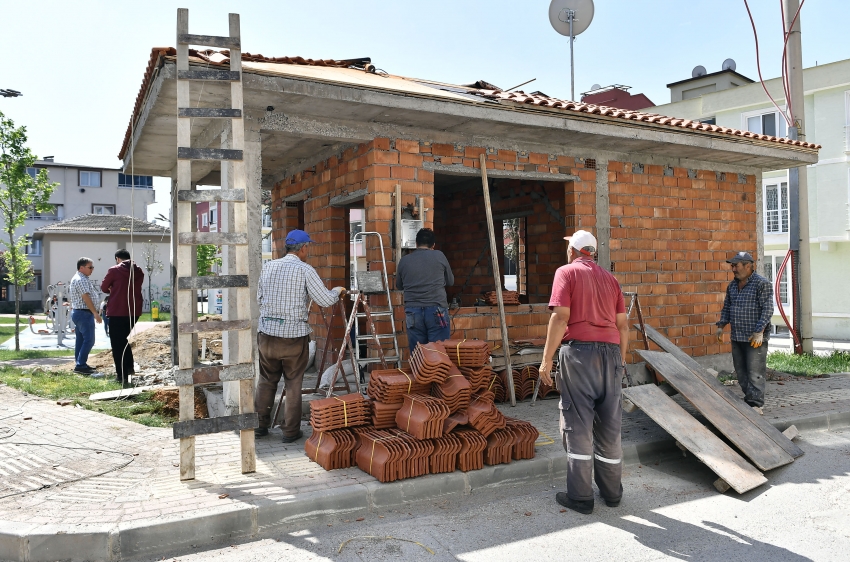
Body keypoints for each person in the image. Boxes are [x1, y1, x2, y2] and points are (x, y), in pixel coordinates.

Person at [539, 230, 629, 516]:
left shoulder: (566, 272)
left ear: (573, 251)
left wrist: (545, 361)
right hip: (612, 355)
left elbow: (560, 316)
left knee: (578, 423)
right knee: (610, 424)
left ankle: (580, 496)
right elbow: (623, 325)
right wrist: (620, 362)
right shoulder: (610, 279)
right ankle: (612, 492)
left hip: (579, 354)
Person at [255, 229, 346, 443]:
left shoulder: (268, 267)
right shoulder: (304, 269)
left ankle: (259, 426)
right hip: (292, 337)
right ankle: (290, 432)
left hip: (266, 335)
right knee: (293, 382)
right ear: (304, 248)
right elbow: (324, 299)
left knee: (266, 380)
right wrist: (338, 290)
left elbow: (260, 298)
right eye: (309, 247)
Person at [715, 251, 773, 415]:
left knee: (755, 372)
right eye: (732, 265)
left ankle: (756, 404)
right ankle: (749, 401)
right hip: (737, 336)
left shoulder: (762, 284)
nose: (733, 269)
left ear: (748, 266)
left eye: (736, 265)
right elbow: (727, 307)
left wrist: (759, 331)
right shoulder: (732, 286)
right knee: (741, 372)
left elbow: (767, 310)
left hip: (754, 337)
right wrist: (721, 325)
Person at [395, 228, 454, 354]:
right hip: (437, 311)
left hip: (413, 312)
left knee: (418, 353)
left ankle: (420, 374)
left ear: (416, 243)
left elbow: (399, 286)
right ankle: (437, 374)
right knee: (438, 352)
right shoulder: (439, 256)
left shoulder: (404, 261)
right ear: (433, 245)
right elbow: (450, 281)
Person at [100, 249, 144, 384]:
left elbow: (103, 287)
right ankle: (129, 367)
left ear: (118, 258)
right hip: (134, 310)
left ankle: (121, 375)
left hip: (117, 310)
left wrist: (113, 288)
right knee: (122, 339)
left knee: (117, 343)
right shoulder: (139, 271)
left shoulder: (114, 270)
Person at [68, 257, 103, 374]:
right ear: (81, 268)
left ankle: (80, 363)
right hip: (83, 313)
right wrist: (95, 313)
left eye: (92, 267)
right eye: (90, 267)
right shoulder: (80, 279)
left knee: (81, 340)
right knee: (89, 340)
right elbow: (86, 297)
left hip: (79, 313)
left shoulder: (81, 278)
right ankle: (80, 365)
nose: (92, 269)